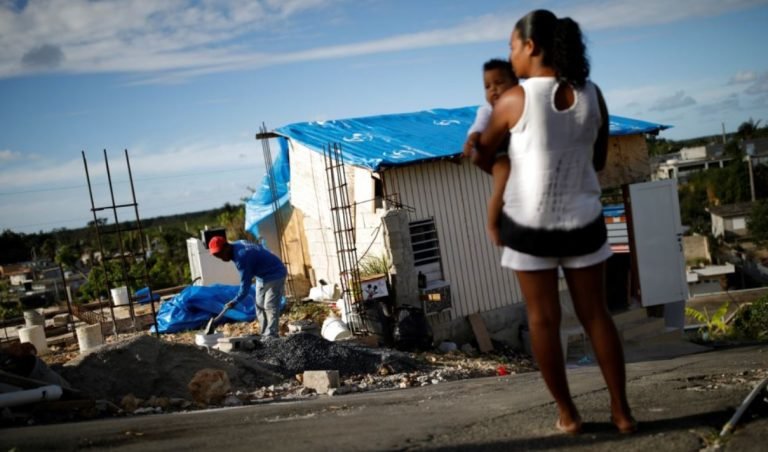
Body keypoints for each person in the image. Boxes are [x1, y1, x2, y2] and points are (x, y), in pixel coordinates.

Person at [476, 9, 636, 435]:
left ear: (532, 46)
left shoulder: (515, 98)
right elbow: (599, 160)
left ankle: (569, 414)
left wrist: (483, 152)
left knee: (544, 320)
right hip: (584, 220)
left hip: (530, 227)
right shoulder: (593, 93)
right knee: (596, 315)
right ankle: (622, 413)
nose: (510, 57)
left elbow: (485, 154)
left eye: (513, 46)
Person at [463, 58, 519, 246]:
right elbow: (477, 127)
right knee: (502, 182)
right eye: (487, 86)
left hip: (520, 153)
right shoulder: (487, 110)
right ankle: (493, 224)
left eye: (499, 83)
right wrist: (472, 140)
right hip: (501, 154)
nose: (493, 89)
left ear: (515, 83)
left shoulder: (522, 103)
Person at [208, 236, 287, 338]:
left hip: (275, 273)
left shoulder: (242, 257)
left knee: (270, 306)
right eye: (217, 256)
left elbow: (245, 286)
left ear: (227, 246)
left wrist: (235, 301)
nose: (221, 258)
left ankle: (271, 336)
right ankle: (265, 334)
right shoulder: (238, 244)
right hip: (261, 276)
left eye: (220, 253)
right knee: (259, 307)